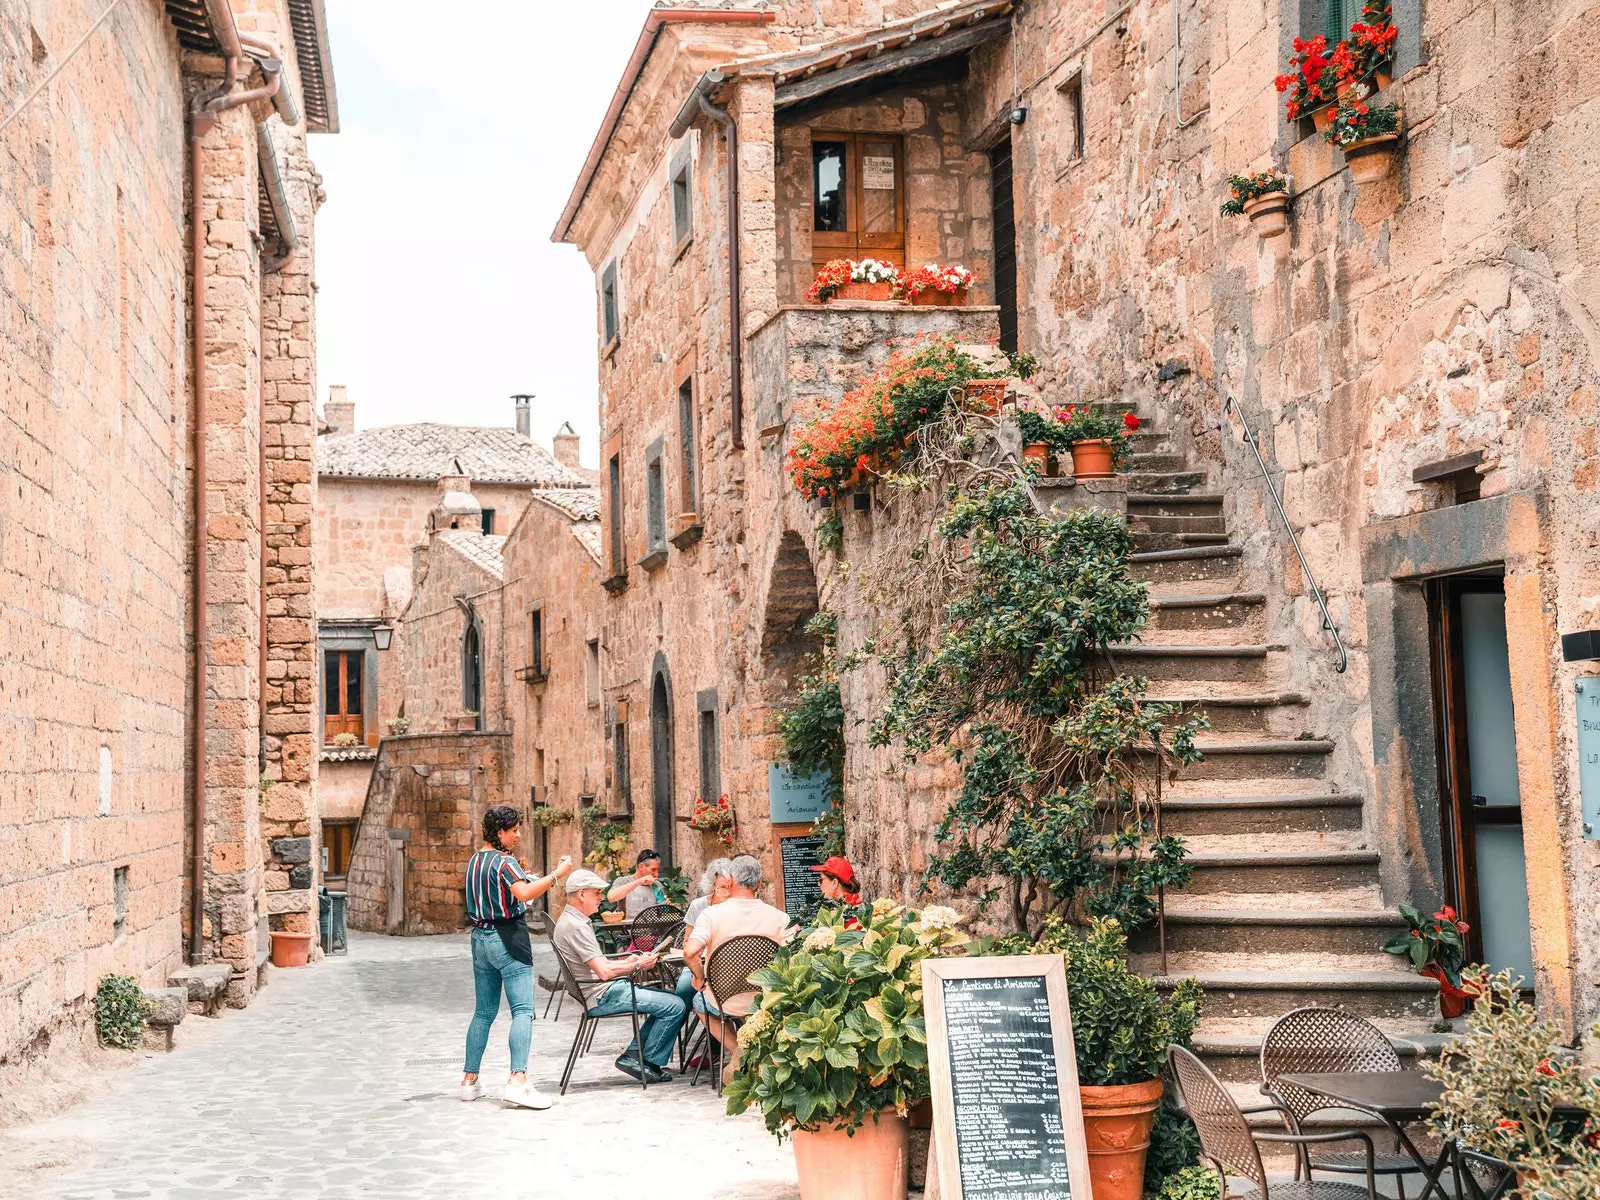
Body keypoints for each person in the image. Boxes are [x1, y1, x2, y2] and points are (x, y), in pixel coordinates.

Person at [461, 805, 574, 1110]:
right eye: (514, 830)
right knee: (523, 1011)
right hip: (507, 936)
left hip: (480, 938)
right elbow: (523, 895)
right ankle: (518, 1080)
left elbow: (499, 891)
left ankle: (469, 1081)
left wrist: (524, 876)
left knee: (483, 1012)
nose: (519, 835)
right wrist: (557, 875)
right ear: (500, 833)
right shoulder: (503, 861)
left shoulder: (475, 860)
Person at [554, 868, 689, 1084]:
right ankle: (648, 1063)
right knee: (675, 1005)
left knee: (666, 1001)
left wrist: (627, 961)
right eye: (596, 893)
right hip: (600, 995)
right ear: (581, 894)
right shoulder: (576, 926)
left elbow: (597, 962)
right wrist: (637, 965)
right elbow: (603, 972)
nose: (600, 898)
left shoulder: (572, 920)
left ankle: (634, 1057)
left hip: (597, 990)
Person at [681, 854, 792, 1084]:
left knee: (699, 1003)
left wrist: (699, 977)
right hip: (765, 1000)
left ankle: (738, 1050)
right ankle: (755, 1054)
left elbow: (690, 952)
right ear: (760, 885)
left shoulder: (711, 915)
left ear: (730, 881)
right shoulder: (780, 918)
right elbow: (794, 958)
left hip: (723, 1001)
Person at [676, 857, 734, 1008]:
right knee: (683, 990)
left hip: (729, 965)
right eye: (722, 887)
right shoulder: (698, 905)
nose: (727, 892)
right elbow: (687, 942)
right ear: (712, 885)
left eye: (730, 887)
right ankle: (675, 1029)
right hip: (699, 964)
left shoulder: (736, 906)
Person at [606, 849, 667, 918]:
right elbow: (611, 897)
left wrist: (666, 907)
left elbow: (662, 912)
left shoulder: (656, 885)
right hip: (628, 928)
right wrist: (639, 881)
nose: (657, 874)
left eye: (657, 870)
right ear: (641, 866)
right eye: (653, 870)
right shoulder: (623, 881)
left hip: (653, 928)